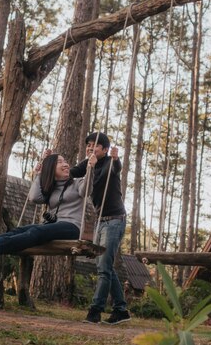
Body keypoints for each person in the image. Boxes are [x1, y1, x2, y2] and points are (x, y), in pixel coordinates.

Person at [0, 152, 96, 256]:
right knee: (18, 230)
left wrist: (90, 169)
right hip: (53, 226)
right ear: (50, 168)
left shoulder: (77, 183)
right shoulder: (51, 189)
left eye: (65, 162)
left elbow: (87, 190)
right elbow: (34, 197)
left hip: (72, 227)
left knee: (36, 231)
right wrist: (39, 174)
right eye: (60, 162)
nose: (66, 164)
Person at [71, 132, 130, 325]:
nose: (90, 148)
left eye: (95, 145)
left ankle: (95, 311)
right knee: (104, 266)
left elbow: (116, 168)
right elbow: (70, 173)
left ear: (104, 149)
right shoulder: (88, 163)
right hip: (100, 221)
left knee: (104, 268)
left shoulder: (109, 163)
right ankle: (121, 310)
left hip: (115, 220)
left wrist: (115, 158)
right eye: (88, 144)